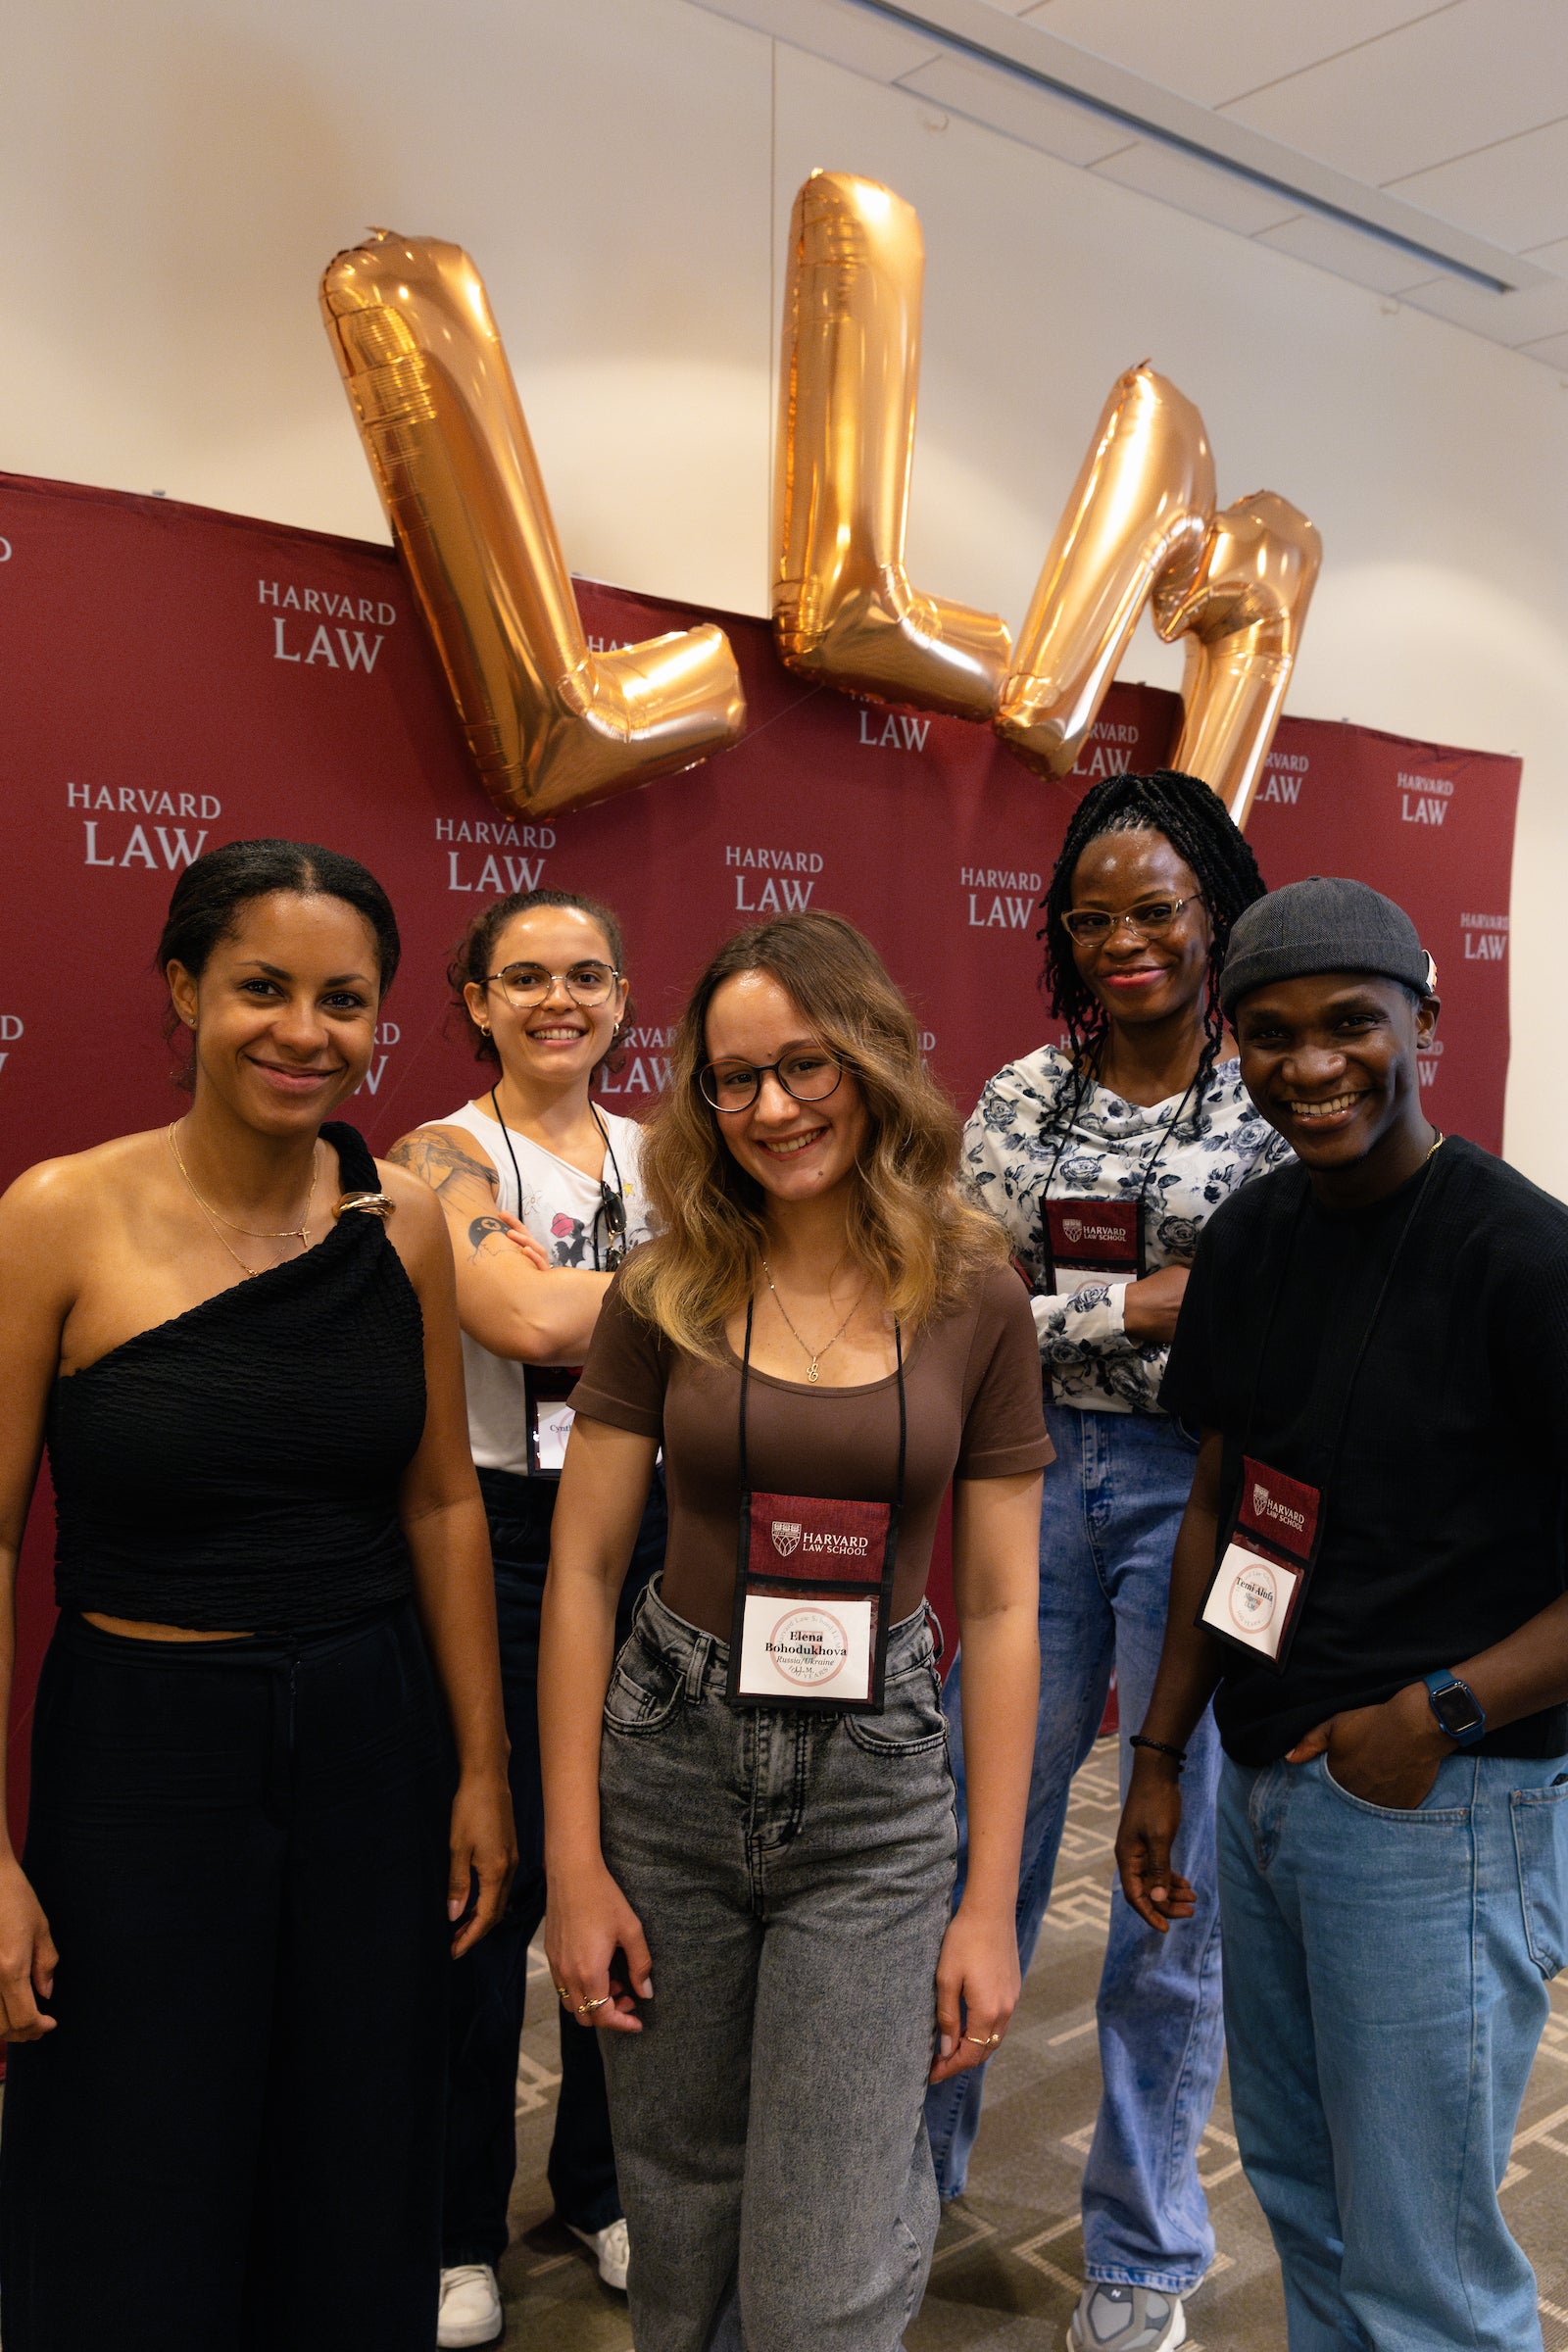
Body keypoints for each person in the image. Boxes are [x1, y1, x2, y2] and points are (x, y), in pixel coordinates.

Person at [0, 839, 515, 2352]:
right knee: (134, 2156)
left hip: (369, 1736)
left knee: (354, 2146)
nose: (306, 1031)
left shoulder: (404, 1218)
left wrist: (480, 1770)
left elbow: (439, 1499)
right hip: (144, 1749)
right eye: (262, 990)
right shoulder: (56, 1216)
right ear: (184, 991)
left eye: (345, 1000)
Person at [538, 909, 1051, 2350]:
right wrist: (575, 1867)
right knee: (682, 2217)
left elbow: (1006, 1609)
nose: (771, 1109)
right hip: (671, 1759)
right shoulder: (665, 1283)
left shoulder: (975, 1295)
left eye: (805, 1067)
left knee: (826, 2262)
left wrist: (992, 1904)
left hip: (876, 1787)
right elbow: (582, 1575)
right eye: (733, 1078)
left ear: (874, 1063)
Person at [1117, 876, 1568, 2352]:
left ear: (1424, 1022)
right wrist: (1165, 1754)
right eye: (1270, 1034)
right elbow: (1219, 1498)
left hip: (1437, 1800)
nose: (1311, 1067)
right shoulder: (1251, 1241)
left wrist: (1430, 1720)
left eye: (1351, 1026)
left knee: (1425, 2259)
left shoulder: (1524, 1257)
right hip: (1264, 1783)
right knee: (1306, 2197)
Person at [928, 769, 1286, 2352]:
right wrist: (1142, 1305)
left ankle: (1144, 2247)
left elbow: (1263, 1318)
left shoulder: (1272, 1088)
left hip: (1198, 1487)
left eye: (1157, 909)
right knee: (969, 1848)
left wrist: (1073, 1310)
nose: (1126, 940)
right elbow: (962, 1299)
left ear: (1216, 908)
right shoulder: (1018, 1098)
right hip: (1023, 1480)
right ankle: (911, 2167)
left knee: (1170, 1882)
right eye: (1095, 916)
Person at [390, 887, 664, 2345]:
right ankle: (450, 2227)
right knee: (485, 1881)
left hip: (650, 1530)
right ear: (477, 999)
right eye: (525, 979)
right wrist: (710, 1278)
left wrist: (603, 1286)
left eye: (588, 977)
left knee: (632, 1867)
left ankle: (604, 2188)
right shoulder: (434, 1154)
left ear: (624, 999)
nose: (560, 1001)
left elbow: (580, 1302)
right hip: (493, 1532)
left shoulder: (664, 1152)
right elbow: (532, 1322)